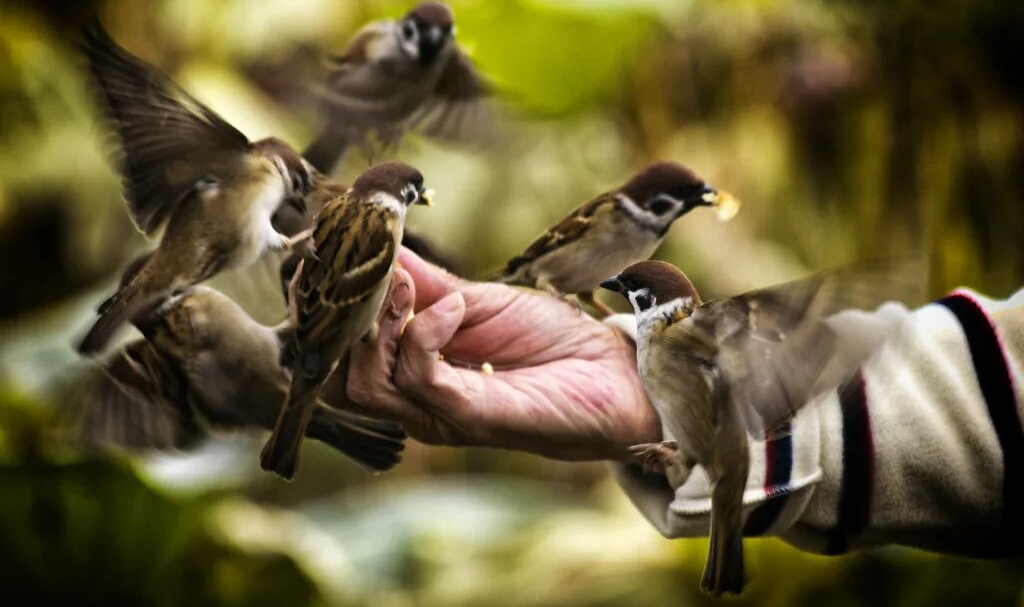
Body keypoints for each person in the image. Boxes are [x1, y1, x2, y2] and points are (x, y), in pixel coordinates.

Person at [333, 248, 1024, 558]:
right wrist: (643, 403)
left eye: (631, 295)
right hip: (723, 450)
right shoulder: (668, 341)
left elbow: (775, 341)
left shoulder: (701, 328)